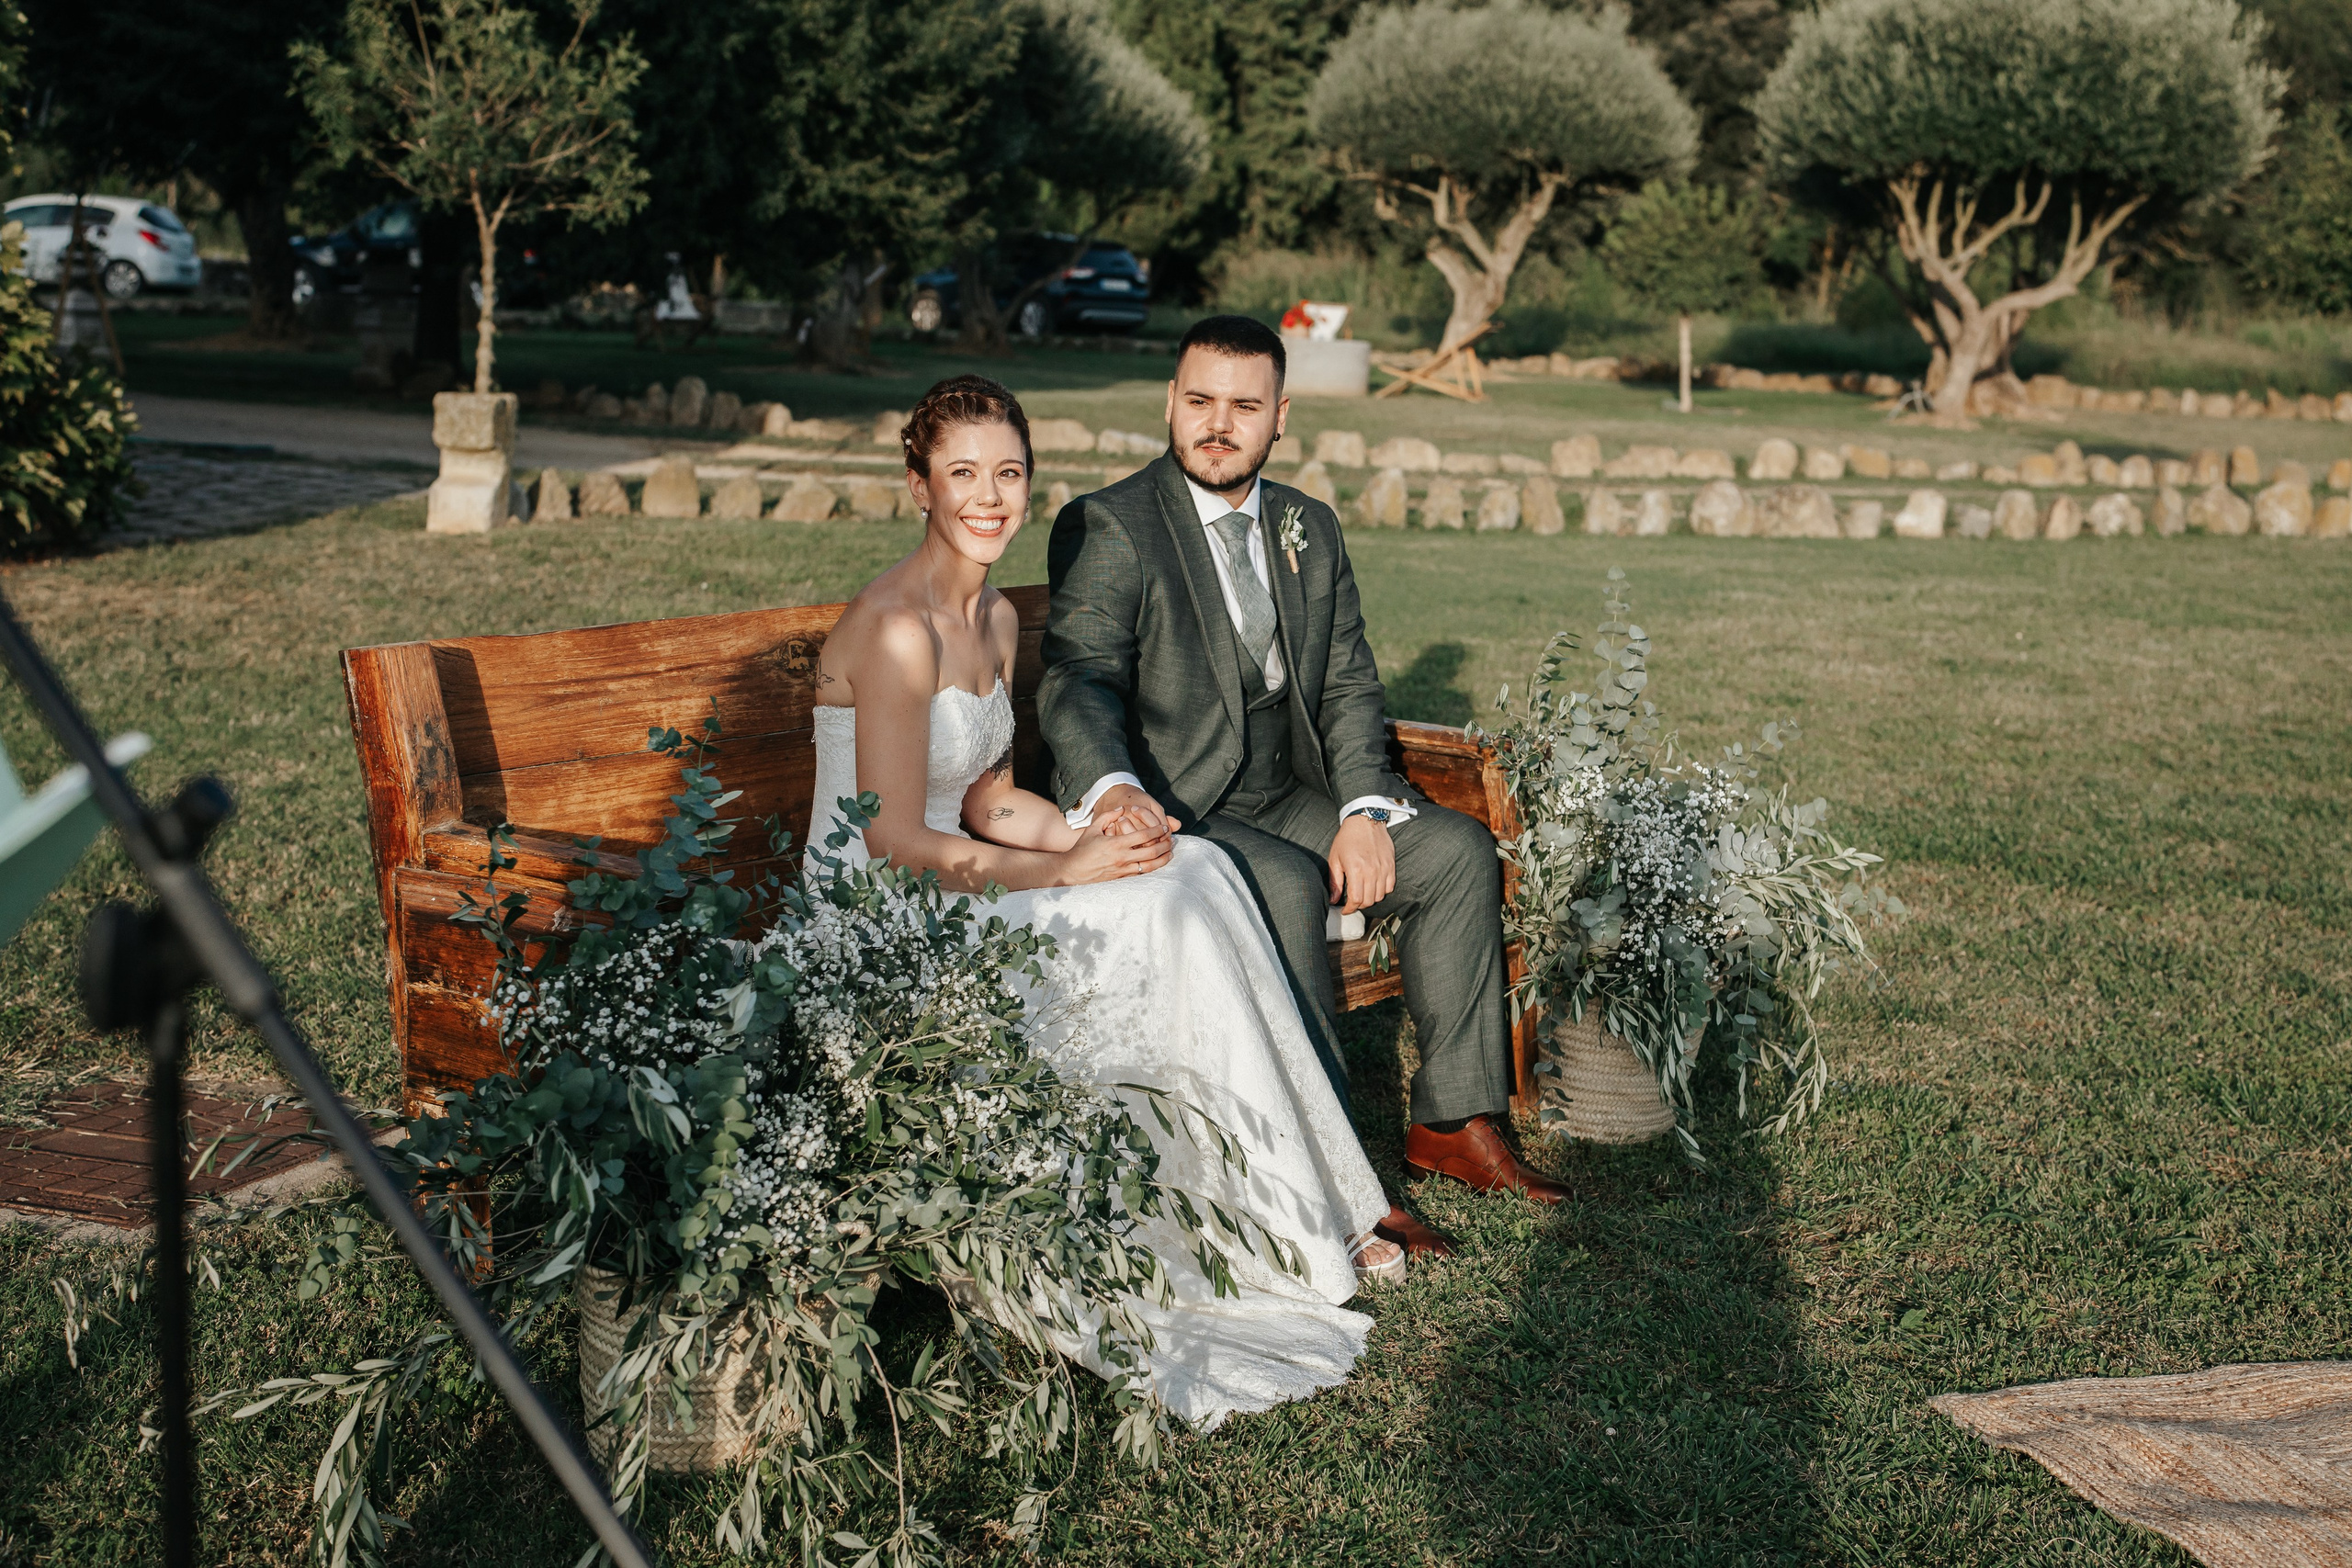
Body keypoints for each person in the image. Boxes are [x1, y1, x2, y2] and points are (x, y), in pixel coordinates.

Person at [806, 373, 1400, 1431]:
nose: (989, 498)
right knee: (1157, 915)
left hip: (961, 873)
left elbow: (986, 795)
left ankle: (1286, 1210)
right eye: (962, 476)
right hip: (882, 916)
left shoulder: (987, 613)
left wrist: (1093, 833)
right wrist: (1064, 874)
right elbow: (891, 841)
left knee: (1195, 869)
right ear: (918, 485)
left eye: (1008, 474)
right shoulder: (898, 630)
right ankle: (1225, 1227)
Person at [1038, 315, 1571, 1264]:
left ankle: (1454, 1121)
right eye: (1198, 401)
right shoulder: (1111, 524)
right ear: (1170, 402)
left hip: (1287, 789)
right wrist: (1113, 789)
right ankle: (1340, 1181)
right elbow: (1076, 676)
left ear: (1278, 417)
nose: (1216, 424)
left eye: (1242, 406)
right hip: (1178, 806)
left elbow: (1347, 684)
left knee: (1451, 851)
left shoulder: (1307, 527)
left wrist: (1366, 810)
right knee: (1282, 881)